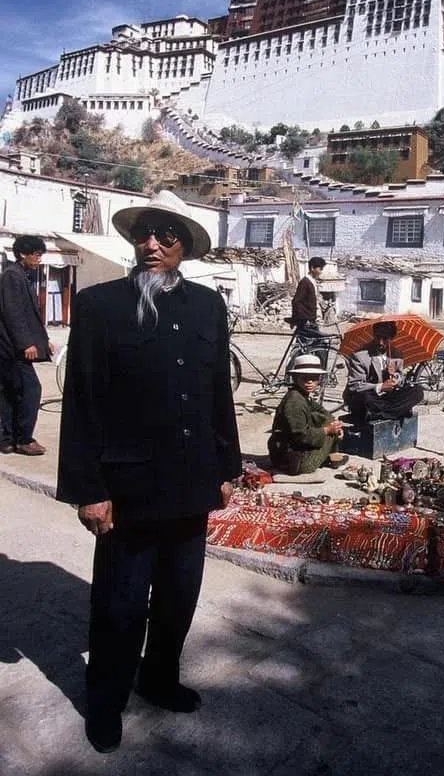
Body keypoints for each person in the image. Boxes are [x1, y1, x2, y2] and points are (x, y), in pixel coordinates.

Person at [56, 190, 241, 755]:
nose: (152, 244)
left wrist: (228, 465)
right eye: (145, 234)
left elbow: (217, 394)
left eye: (166, 235)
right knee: (120, 604)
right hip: (128, 485)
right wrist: (90, 490)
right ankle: (106, 702)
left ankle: (158, 678)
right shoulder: (101, 306)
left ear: (184, 246)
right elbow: (83, 402)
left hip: (192, 483)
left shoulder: (209, 306)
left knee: (179, 595)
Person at [0, 234, 53, 455]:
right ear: (23, 254)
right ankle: (23, 438)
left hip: (11, 348)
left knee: (10, 391)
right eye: (36, 254)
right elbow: (13, 313)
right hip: (13, 348)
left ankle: (7, 439)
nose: (39, 258)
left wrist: (44, 340)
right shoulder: (13, 276)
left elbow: (28, 315)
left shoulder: (20, 275)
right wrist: (26, 344)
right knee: (31, 389)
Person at [268, 354, 346, 475]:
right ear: (295, 378)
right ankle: (328, 456)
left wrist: (335, 423)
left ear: (319, 379)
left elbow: (321, 411)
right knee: (328, 428)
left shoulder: (301, 395)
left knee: (327, 419)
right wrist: (327, 430)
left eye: (313, 378)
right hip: (291, 461)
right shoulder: (295, 401)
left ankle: (331, 454)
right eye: (304, 378)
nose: (309, 382)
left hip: (289, 453)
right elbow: (301, 436)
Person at [343, 321, 424, 424]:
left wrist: (395, 376)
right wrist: (380, 387)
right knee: (365, 397)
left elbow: (401, 379)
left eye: (385, 339)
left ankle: (381, 414)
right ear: (373, 335)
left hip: (386, 399)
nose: (381, 342)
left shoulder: (396, 354)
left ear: (391, 338)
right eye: (378, 337)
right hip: (370, 397)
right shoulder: (360, 356)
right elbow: (355, 386)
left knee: (417, 391)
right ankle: (395, 412)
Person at [291, 257, 326, 338]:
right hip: (306, 320)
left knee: (313, 343)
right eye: (320, 269)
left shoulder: (312, 281)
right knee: (310, 343)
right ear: (312, 268)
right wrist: (302, 318)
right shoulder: (305, 282)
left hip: (311, 319)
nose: (321, 272)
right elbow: (296, 301)